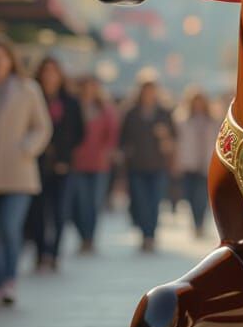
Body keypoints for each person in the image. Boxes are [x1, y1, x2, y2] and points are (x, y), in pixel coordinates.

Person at [0, 40, 50, 307]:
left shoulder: (28, 89)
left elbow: (42, 127)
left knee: (9, 226)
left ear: (11, 60)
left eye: (2, 57)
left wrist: (27, 148)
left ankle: (9, 281)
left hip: (19, 171)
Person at [27, 58, 82, 272]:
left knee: (59, 212)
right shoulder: (32, 97)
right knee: (38, 212)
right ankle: (41, 252)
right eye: (45, 71)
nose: (49, 76)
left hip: (63, 166)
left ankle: (55, 253)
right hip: (35, 164)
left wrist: (65, 156)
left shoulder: (70, 102)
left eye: (53, 72)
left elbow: (79, 132)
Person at [120, 80, 176, 252]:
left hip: (158, 166)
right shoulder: (131, 113)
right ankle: (144, 233)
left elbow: (174, 139)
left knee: (154, 202)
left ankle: (150, 236)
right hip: (136, 166)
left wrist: (165, 136)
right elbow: (123, 139)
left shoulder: (164, 114)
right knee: (141, 202)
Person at [69, 77, 118, 254]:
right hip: (77, 163)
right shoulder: (74, 106)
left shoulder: (105, 108)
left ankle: (89, 238)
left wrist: (108, 152)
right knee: (80, 203)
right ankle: (83, 235)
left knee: (94, 203)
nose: (89, 90)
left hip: (99, 163)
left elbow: (112, 133)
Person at [172, 88, 220, 238]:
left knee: (202, 196)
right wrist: (176, 161)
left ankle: (200, 224)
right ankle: (195, 221)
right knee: (190, 196)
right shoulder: (181, 121)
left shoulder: (213, 121)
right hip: (189, 163)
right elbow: (177, 143)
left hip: (206, 164)